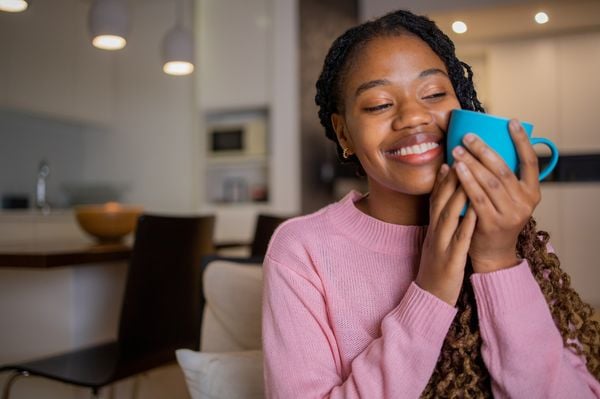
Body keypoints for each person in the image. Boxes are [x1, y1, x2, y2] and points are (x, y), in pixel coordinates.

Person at [262, 9, 600, 398]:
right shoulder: (302, 251)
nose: (413, 116)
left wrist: (497, 261)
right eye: (378, 104)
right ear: (344, 134)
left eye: (435, 94)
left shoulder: (509, 232)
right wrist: (431, 290)